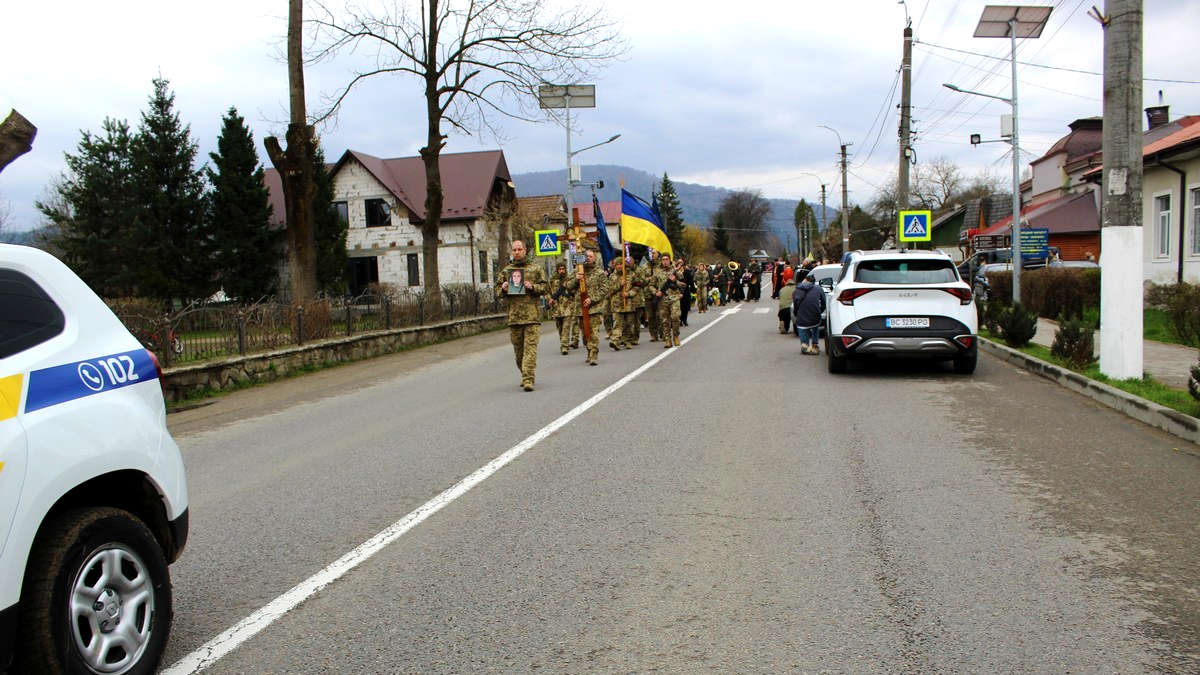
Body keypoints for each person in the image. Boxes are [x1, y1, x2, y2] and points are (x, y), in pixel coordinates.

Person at [495, 240, 548, 390]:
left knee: (530, 350)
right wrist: (504, 288)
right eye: (514, 250)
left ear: (525, 250)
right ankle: (524, 372)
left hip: (531, 318)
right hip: (514, 318)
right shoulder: (506, 271)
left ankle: (528, 379)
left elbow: (546, 287)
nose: (517, 252)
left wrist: (533, 287)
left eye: (519, 249)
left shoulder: (535, 269)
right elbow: (497, 292)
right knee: (519, 353)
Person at [567, 248, 611, 365]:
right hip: (580, 308)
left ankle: (593, 354)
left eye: (590, 256)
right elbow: (568, 286)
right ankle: (589, 349)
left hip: (594, 308)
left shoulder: (599, 272)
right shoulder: (577, 271)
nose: (588, 258)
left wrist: (592, 299)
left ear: (594, 258)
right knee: (585, 333)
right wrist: (576, 279)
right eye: (586, 256)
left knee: (594, 332)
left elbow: (605, 288)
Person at [609, 255, 641, 350]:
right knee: (617, 324)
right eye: (617, 264)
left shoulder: (631, 275)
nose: (619, 266)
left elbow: (637, 287)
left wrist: (629, 293)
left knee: (629, 323)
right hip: (617, 304)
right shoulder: (612, 276)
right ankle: (615, 341)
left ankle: (628, 340)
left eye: (620, 264)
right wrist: (620, 285)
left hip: (629, 303)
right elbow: (610, 290)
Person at [652, 253, 683, 347]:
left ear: (669, 260)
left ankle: (676, 336)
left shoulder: (676, 271)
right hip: (662, 299)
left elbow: (684, 284)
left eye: (666, 259)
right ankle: (667, 339)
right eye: (663, 259)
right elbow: (651, 285)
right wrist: (656, 292)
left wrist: (675, 281)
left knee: (675, 317)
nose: (665, 261)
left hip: (674, 298)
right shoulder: (657, 272)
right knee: (664, 320)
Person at [792, 272, 826, 355]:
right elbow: (824, 302)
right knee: (815, 326)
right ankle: (815, 344)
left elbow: (795, 305)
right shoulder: (818, 288)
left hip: (801, 318)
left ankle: (805, 345)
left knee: (802, 329)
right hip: (815, 317)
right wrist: (819, 311)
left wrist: (797, 314)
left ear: (805, 280)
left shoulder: (796, 290)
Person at [547, 261, 576, 356]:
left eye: (563, 269)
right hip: (557, 308)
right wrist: (550, 299)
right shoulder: (552, 280)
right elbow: (548, 291)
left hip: (567, 306)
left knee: (566, 328)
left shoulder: (569, 279)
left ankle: (565, 346)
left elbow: (574, 290)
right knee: (560, 328)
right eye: (559, 269)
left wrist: (571, 296)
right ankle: (563, 342)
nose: (561, 271)